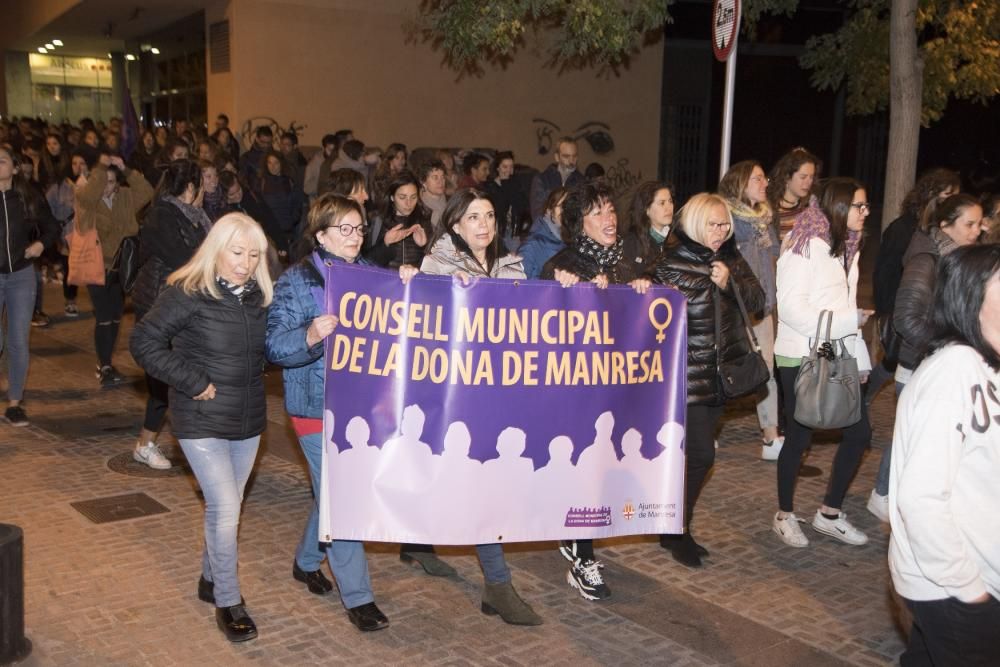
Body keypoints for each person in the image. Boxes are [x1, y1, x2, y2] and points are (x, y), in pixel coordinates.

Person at [130, 213, 272, 643]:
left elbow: (269, 352)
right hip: (200, 420)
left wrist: (307, 338)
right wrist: (192, 381)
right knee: (226, 508)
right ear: (216, 248)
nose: (244, 264)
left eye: (253, 255)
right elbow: (143, 341)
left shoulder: (259, 297)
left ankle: (210, 577)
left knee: (225, 508)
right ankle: (228, 600)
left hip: (247, 419)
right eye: (236, 252)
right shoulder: (188, 292)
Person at [266, 194, 397, 632]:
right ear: (320, 234)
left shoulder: (372, 277)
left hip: (360, 410)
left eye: (359, 228)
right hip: (315, 411)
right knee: (344, 498)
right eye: (345, 229)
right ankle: (358, 596)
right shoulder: (296, 282)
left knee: (332, 492)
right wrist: (308, 334)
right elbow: (274, 347)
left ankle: (306, 562)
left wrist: (411, 280)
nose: (355, 237)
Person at [418, 188, 542, 625]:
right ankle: (498, 584)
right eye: (474, 217)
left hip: (498, 394)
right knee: (477, 484)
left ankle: (415, 541)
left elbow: (529, 320)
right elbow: (426, 325)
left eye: (489, 215)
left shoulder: (511, 264)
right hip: (455, 397)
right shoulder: (436, 264)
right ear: (455, 224)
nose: (485, 224)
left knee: (473, 482)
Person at [888, 244, 1000, 666]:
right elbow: (920, 497)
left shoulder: (988, 365)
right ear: (971, 298)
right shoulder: (952, 372)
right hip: (954, 584)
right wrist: (970, 590)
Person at [541, 180, 653, 594]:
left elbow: (647, 317)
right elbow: (540, 324)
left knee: (604, 469)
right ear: (578, 224)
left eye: (611, 210)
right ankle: (583, 557)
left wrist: (642, 289)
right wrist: (562, 289)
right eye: (598, 213)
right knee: (586, 467)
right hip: (577, 391)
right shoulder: (561, 264)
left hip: (618, 388)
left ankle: (574, 536)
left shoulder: (629, 260)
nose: (609, 219)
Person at [653, 193, 764, 567]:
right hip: (685, 378)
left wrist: (729, 284)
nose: (720, 232)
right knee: (700, 454)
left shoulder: (729, 258)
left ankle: (672, 526)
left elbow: (758, 300)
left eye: (725, 225)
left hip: (721, 376)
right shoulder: (670, 266)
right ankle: (675, 530)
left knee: (693, 457)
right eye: (714, 225)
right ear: (696, 224)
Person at [866, 194, 984, 520]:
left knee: (917, 434)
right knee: (910, 436)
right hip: (918, 364)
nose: (978, 230)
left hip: (931, 363)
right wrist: (942, 347)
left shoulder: (954, 258)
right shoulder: (926, 260)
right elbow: (907, 319)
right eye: (969, 224)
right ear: (946, 225)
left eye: (979, 223)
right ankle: (883, 493)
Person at [771, 178, 873, 548]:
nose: (865, 213)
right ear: (840, 207)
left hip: (838, 353)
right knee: (799, 437)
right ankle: (784, 515)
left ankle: (829, 513)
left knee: (859, 432)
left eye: (865, 206)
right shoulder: (803, 245)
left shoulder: (847, 248)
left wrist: (860, 359)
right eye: (859, 205)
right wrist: (849, 323)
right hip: (799, 353)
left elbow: (845, 307)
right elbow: (792, 309)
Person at [130, 159, 211, 470]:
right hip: (159, 309)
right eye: (202, 186)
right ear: (191, 188)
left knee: (180, 380)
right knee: (165, 382)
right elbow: (186, 260)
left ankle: (192, 445)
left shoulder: (193, 216)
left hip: (182, 306)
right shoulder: (164, 216)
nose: (204, 192)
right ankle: (145, 444)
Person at [868, 168, 961, 409]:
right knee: (894, 363)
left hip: (917, 315)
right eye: (948, 194)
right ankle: (861, 400)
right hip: (903, 311)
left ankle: (862, 399)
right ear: (931, 195)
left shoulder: (938, 233)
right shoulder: (906, 229)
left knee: (892, 365)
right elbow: (886, 273)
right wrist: (888, 312)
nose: (952, 200)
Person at [718, 161, 783, 460]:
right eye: (757, 178)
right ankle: (709, 429)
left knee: (766, 368)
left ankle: (770, 436)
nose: (764, 183)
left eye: (764, 177)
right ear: (741, 183)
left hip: (762, 306)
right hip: (735, 306)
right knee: (726, 366)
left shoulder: (764, 219)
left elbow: (774, 258)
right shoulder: (727, 219)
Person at [74, 152, 155, 386]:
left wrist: (126, 169)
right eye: (102, 181)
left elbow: (147, 192)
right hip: (97, 266)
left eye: (111, 182)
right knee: (103, 317)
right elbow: (90, 193)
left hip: (121, 267)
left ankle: (107, 363)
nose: (106, 187)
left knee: (116, 317)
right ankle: (105, 365)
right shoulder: (87, 200)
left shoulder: (125, 197)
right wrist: (100, 167)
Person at [0, 146, 60, 426]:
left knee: (17, 340)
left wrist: (39, 244)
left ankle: (14, 403)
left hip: (22, 277)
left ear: (14, 168)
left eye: (1, 161)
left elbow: (52, 227)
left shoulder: (27, 196)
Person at [44, 151, 87, 318]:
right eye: (75, 163)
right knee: (71, 269)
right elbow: (47, 208)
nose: (78, 167)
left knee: (90, 267)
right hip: (67, 235)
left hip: (87, 234)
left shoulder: (91, 185)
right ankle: (70, 300)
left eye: (81, 163)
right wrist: (54, 230)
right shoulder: (60, 186)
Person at [367, 171, 430, 267]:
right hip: (386, 281)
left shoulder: (424, 222)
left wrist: (424, 247)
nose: (408, 203)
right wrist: (385, 244)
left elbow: (432, 267)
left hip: (413, 281)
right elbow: (366, 263)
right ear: (392, 197)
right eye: (402, 197)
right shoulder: (378, 221)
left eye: (413, 197)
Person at [257, 150, 306, 256]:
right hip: (269, 234)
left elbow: (298, 204)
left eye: (276, 163)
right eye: (269, 163)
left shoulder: (290, 182)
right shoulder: (261, 183)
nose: (272, 166)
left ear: (281, 164)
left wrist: (292, 221)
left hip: (287, 231)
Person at [766, 147, 820, 241]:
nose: (808, 182)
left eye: (811, 177)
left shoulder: (812, 207)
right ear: (787, 176)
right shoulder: (768, 209)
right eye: (803, 177)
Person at [622, 180, 675, 273]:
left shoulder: (678, 240)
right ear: (647, 209)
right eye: (662, 203)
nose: (669, 207)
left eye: (670, 201)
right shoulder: (632, 242)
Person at [529, 136, 583, 220]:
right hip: (547, 231)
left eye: (574, 156)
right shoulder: (541, 180)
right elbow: (537, 215)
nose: (571, 161)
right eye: (566, 156)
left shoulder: (582, 182)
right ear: (557, 157)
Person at [519, 187, 567, 279]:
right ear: (549, 210)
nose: (566, 211)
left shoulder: (572, 243)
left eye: (569, 206)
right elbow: (519, 286)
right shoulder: (532, 244)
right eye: (561, 206)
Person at [418, 159, 448, 229]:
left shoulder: (448, 201)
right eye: (435, 178)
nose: (440, 181)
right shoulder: (420, 209)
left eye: (442, 177)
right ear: (423, 182)